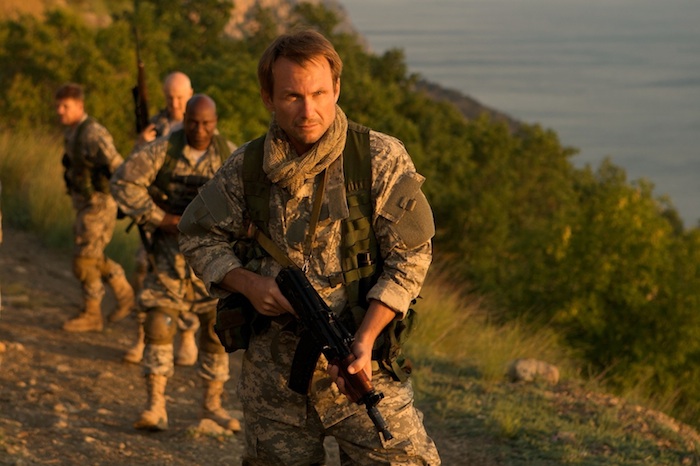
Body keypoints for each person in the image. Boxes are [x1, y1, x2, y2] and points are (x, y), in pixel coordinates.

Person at [178, 30, 441, 464]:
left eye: (319, 93)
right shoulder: (248, 168)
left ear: (336, 88)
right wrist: (249, 285)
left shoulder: (378, 158)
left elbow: (411, 256)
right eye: (292, 96)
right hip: (274, 385)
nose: (308, 110)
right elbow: (196, 234)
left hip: (363, 369)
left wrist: (366, 337)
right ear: (268, 98)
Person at [111, 94, 239, 432]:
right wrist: (161, 219)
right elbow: (122, 181)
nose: (200, 130)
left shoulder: (228, 155)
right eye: (193, 122)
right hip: (167, 258)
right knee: (158, 323)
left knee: (216, 331)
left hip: (211, 261)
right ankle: (155, 406)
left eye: (206, 123)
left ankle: (212, 406)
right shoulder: (163, 150)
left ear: (215, 122)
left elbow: (247, 200)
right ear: (185, 120)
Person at [124, 71, 198, 367]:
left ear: (190, 94)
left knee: (190, 278)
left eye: (180, 97)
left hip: (188, 213)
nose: (175, 103)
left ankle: (187, 335)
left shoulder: (199, 124)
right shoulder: (155, 125)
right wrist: (140, 143)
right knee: (145, 271)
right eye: (170, 97)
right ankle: (143, 336)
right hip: (156, 215)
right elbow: (130, 171)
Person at [55, 83, 134, 333]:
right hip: (85, 205)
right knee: (92, 257)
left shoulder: (93, 133)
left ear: (80, 106)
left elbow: (119, 166)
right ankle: (124, 294)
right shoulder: (73, 132)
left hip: (99, 205)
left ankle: (92, 314)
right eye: (58, 106)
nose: (60, 111)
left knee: (84, 261)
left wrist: (125, 199)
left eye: (65, 106)